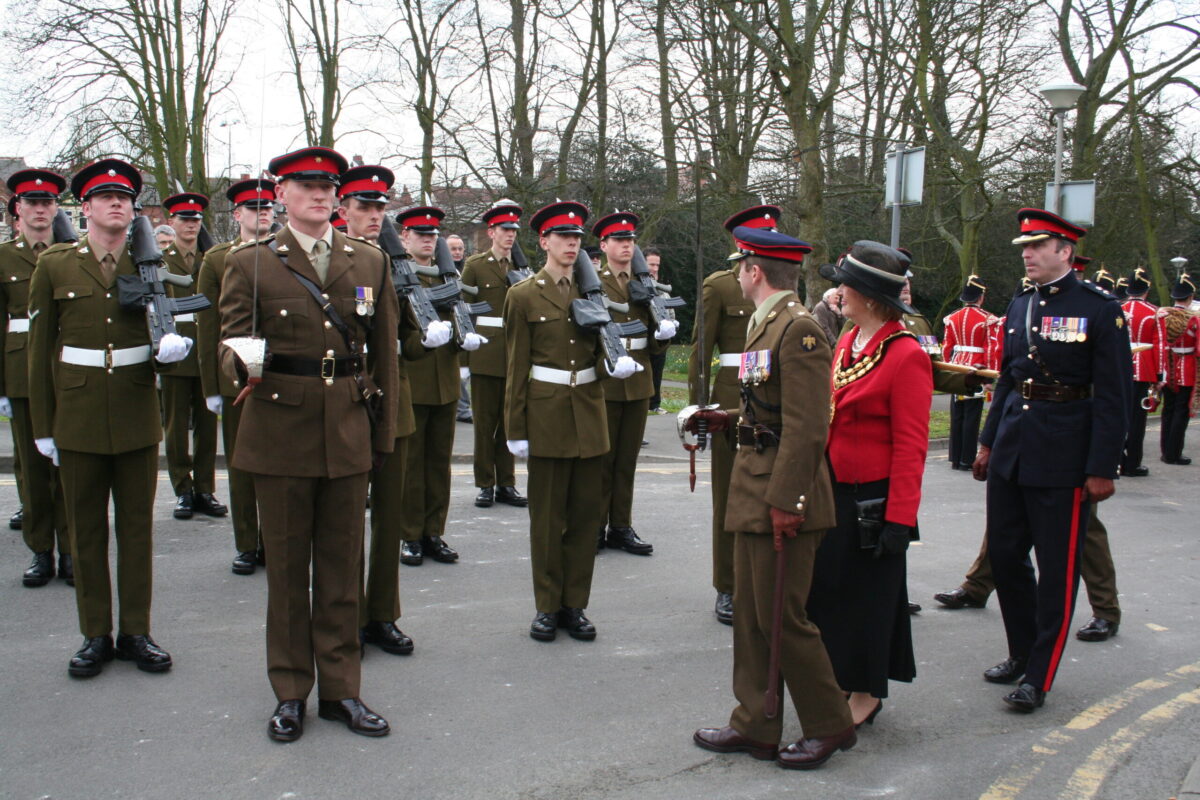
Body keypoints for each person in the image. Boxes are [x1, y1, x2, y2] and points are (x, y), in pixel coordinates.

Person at [219, 146, 399, 741]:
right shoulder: (251, 261)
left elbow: (387, 354)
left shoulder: (368, 260)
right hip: (279, 430)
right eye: (306, 186)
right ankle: (291, 690)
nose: (320, 196)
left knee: (344, 570)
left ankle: (343, 692)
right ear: (282, 194)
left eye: (327, 187)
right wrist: (240, 362)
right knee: (290, 572)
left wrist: (384, 431)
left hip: (348, 426)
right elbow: (228, 343)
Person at [691, 225, 856, 770]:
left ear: (754, 272)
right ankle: (756, 724)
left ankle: (830, 725)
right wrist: (725, 419)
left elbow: (810, 427)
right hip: (753, 487)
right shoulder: (768, 325)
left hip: (783, 497)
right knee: (752, 616)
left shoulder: (799, 330)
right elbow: (773, 412)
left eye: (741, 266)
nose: (738, 273)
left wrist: (788, 502)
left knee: (783, 618)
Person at [29, 158, 193, 678]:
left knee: (137, 530)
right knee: (85, 531)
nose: (117, 204)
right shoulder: (56, 264)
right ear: (87, 207)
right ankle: (95, 634)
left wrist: (172, 351)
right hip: (76, 413)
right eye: (105, 197)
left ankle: (136, 632)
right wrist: (43, 427)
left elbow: (169, 331)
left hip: (136, 408)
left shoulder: (151, 263)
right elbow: (39, 352)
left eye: (124, 197)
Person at [973, 208, 1129, 712]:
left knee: (1057, 569)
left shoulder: (1100, 308)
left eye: (1037, 246)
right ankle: (1020, 652)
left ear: (1065, 251)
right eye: (1024, 247)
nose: (1027, 254)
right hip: (1014, 449)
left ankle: (1038, 675)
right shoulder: (1020, 304)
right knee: (1005, 556)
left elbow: (1113, 396)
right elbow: (1008, 381)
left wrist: (1103, 467)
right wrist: (987, 442)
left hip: (1065, 454)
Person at [803, 241, 931, 730]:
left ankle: (866, 692)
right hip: (835, 488)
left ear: (871, 297)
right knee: (834, 594)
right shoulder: (848, 341)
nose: (839, 292)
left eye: (847, 286)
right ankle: (841, 677)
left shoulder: (905, 356)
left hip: (874, 499)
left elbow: (911, 447)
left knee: (868, 601)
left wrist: (899, 519)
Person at [502, 200, 639, 642]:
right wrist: (515, 429)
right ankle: (546, 606)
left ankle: (574, 604)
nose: (571, 244)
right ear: (543, 241)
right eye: (563, 237)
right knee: (546, 520)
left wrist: (611, 366)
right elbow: (515, 368)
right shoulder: (522, 295)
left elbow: (601, 352)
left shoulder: (592, 293)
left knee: (584, 519)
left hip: (589, 413)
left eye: (577, 238)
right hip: (545, 415)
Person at [336, 163, 444, 657]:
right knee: (346, 523)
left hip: (394, 402)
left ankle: (383, 615)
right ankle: (349, 617)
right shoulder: (337, 261)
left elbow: (407, 345)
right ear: (345, 210)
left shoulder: (394, 264)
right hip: (349, 401)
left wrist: (428, 333)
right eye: (365, 207)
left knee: (390, 517)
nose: (374, 215)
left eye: (381, 207)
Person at [688, 204, 781, 625]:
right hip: (731, 398)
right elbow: (699, 352)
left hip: (774, 402)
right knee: (729, 496)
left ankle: (764, 581)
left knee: (771, 494)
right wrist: (698, 408)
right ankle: (727, 585)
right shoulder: (721, 286)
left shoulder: (785, 292)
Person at [197, 178, 277, 575]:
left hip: (280, 376)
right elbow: (210, 327)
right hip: (236, 377)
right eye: (253, 208)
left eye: (268, 207)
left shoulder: (286, 252)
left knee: (278, 466)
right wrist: (212, 386)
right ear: (238, 214)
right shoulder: (216, 259)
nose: (263, 213)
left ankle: (274, 541)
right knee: (242, 465)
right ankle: (247, 542)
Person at [398, 205, 483, 566]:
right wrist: (421, 343)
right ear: (404, 237)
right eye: (421, 235)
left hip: (446, 382)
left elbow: (459, 320)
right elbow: (393, 334)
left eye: (433, 235)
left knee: (438, 465)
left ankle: (434, 531)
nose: (428, 240)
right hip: (413, 383)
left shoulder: (447, 278)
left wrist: (465, 344)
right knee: (411, 465)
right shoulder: (395, 275)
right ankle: (409, 534)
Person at [1, 168, 71, 587]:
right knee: (32, 469)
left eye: (47, 203)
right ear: (19, 210)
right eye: (32, 203)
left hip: (65, 372)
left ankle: (71, 551)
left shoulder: (72, 252)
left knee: (69, 471)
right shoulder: (5, 257)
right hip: (20, 373)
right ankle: (40, 550)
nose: (40, 210)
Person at [594, 212, 675, 555]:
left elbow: (654, 344)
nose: (626, 246)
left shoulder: (646, 283)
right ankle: (596, 526)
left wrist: (663, 334)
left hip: (638, 380)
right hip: (608, 379)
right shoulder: (593, 282)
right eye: (618, 240)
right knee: (602, 460)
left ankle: (621, 526)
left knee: (627, 460)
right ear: (604, 245)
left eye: (630, 240)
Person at [160, 192, 225, 521]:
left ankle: (204, 487)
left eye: (196, 220)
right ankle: (182, 489)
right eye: (184, 220)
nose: (191, 225)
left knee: (206, 426)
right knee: (175, 428)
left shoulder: (210, 259)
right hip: (176, 351)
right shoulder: (160, 260)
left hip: (206, 350)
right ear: (171, 222)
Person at [461, 201, 528, 509]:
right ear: (491, 232)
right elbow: (462, 311)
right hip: (486, 353)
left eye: (514, 230)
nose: (510, 235)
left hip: (516, 353)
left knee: (510, 421)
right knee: (485, 424)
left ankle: (507, 483)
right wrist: (464, 359)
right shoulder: (476, 265)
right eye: (505, 230)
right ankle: (485, 483)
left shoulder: (522, 268)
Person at [942, 275, 993, 470]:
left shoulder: (952, 317)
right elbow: (990, 348)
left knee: (957, 414)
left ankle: (955, 457)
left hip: (957, 366)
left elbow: (947, 347)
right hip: (977, 367)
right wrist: (989, 375)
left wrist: (948, 368)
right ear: (980, 297)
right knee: (972, 415)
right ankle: (966, 458)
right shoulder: (987, 319)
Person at [1120, 267, 1158, 476]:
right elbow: (1157, 346)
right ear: (1146, 290)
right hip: (1143, 368)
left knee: (1118, 415)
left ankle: (1117, 459)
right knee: (1137, 419)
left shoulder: (1117, 308)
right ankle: (1133, 463)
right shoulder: (1153, 312)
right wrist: (1159, 376)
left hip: (1120, 367)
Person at [1157, 274, 1198, 465]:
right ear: (1190, 297)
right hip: (1186, 367)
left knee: (1168, 409)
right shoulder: (1194, 319)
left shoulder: (1162, 315)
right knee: (1181, 412)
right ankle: (1174, 453)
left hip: (1167, 366)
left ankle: (1166, 449)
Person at [644, 247, 669, 414]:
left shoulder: (660, 287)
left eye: (657, 265)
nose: (654, 268)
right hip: (643, 337)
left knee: (657, 371)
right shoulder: (636, 285)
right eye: (651, 264)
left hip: (660, 335)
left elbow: (668, 306)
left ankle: (655, 403)